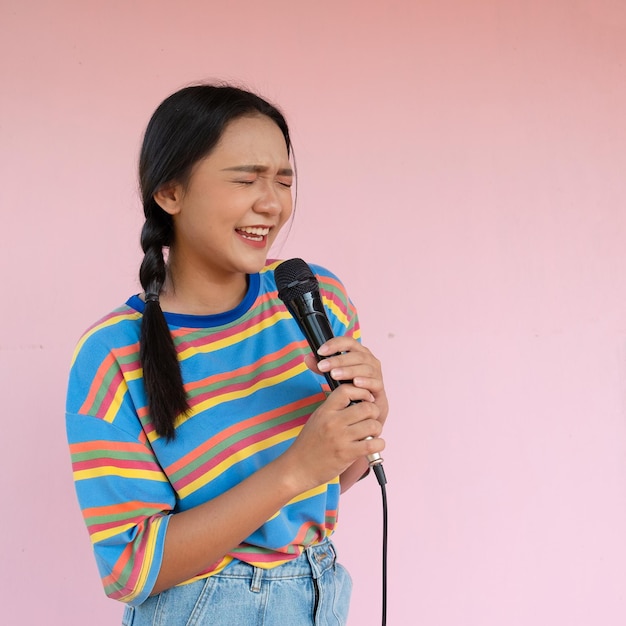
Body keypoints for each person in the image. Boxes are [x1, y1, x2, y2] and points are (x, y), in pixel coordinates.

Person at [66, 83, 388, 626]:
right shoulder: (111, 355)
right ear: (170, 192)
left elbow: (338, 475)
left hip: (318, 593)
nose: (272, 202)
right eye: (245, 179)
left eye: (284, 180)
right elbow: (129, 569)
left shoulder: (314, 297)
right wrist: (294, 469)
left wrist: (371, 406)